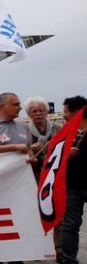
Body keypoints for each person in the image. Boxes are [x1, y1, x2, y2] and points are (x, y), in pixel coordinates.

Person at [61, 95, 87, 264]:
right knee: (70, 226)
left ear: (76, 112)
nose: (64, 115)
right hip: (72, 188)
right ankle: (69, 260)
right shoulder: (67, 132)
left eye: (65, 111)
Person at [0, 93, 35, 163]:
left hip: (21, 172)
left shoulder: (23, 126)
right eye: (15, 104)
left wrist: (32, 158)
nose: (20, 108)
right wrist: (14, 147)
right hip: (0, 172)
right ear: (2, 106)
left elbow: (28, 150)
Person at [24, 97, 62, 179]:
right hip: (34, 173)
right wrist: (31, 150)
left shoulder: (57, 128)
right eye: (34, 111)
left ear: (46, 111)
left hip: (55, 170)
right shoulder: (24, 130)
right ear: (28, 114)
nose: (38, 113)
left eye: (41, 110)